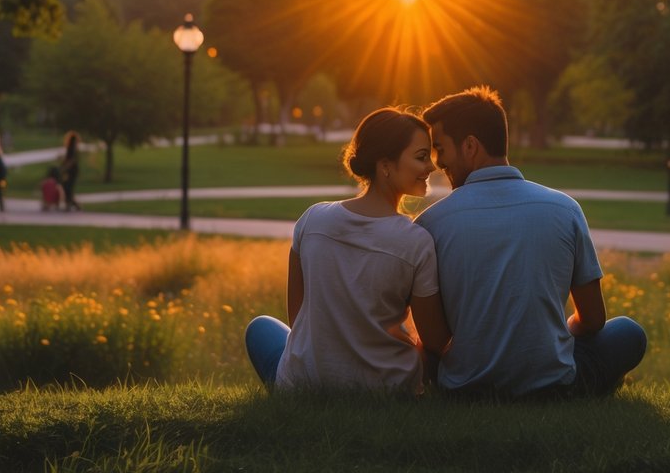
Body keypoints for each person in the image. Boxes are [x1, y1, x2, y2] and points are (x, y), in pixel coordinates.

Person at [415, 86, 647, 399]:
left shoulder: (431, 223)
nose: (437, 162)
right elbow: (593, 320)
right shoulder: (565, 209)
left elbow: (434, 340)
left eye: (440, 148)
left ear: (470, 146)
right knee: (628, 333)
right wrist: (552, 335)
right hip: (552, 384)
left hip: (466, 388)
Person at [244, 108, 451, 395]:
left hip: (308, 380)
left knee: (261, 329)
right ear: (385, 165)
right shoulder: (416, 240)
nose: (431, 166)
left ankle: (290, 386)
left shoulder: (312, 219)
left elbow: (300, 318)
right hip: (385, 388)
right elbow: (434, 341)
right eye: (421, 156)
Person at [60, 131, 81, 211]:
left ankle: (70, 204)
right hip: (72, 170)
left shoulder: (71, 149)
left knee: (67, 187)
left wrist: (64, 168)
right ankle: (73, 204)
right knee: (68, 187)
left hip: (71, 170)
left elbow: (71, 160)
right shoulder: (73, 149)